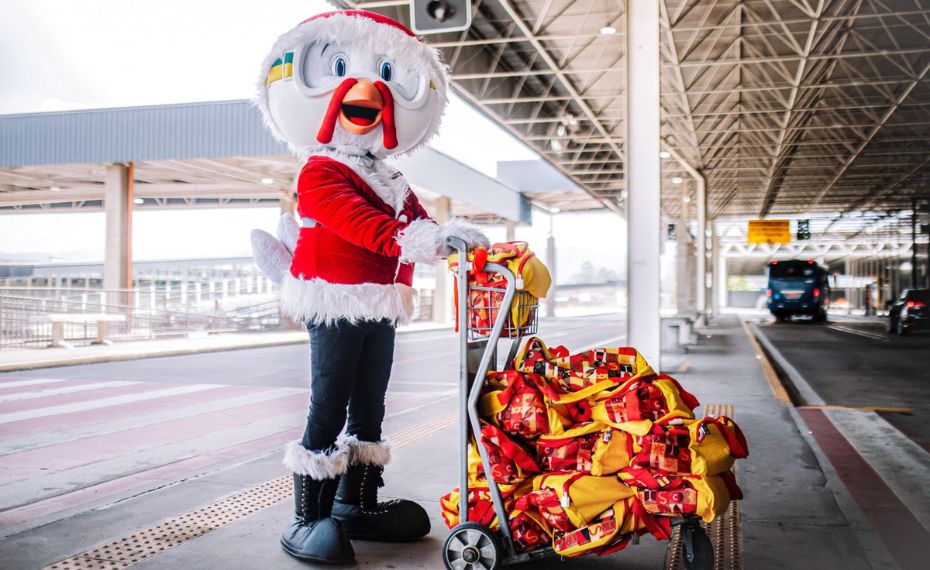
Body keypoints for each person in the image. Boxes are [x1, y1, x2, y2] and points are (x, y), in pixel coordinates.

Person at [249, 10, 488, 564]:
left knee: (371, 405)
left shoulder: (391, 176)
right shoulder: (320, 171)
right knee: (329, 403)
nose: (366, 91)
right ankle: (308, 516)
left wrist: (449, 237)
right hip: (333, 298)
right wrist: (423, 242)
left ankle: (356, 503)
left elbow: (418, 220)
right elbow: (364, 226)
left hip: (380, 301)